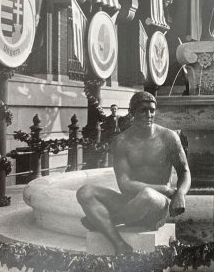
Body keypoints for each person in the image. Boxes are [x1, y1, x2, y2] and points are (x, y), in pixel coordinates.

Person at [76, 91, 191, 256]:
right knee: (85, 191)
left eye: (152, 110)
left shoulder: (169, 137)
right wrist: (166, 189)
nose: (148, 115)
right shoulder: (122, 141)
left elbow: (185, 171)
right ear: (132, 112)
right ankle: (120, 245)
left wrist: (180, 193)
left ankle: (107, 220)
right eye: (142, 110)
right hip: (130, 201)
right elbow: (124, 183)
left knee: (147, 195)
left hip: (156, 206)